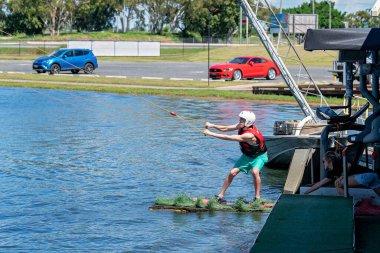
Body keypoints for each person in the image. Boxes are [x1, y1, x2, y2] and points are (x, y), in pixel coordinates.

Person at [203, 111, 268, 203]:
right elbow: (225, 128)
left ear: (248, 122)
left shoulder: (249, 135)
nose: (240, 121)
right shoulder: (242, 126)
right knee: (232, 172)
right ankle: (220, 196)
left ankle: (257, 198)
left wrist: (211, 134)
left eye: (242, 119)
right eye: (240, 119)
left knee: (255, 171)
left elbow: (229, 137)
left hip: (259, 156)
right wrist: (212, 125)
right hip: (247, 155)